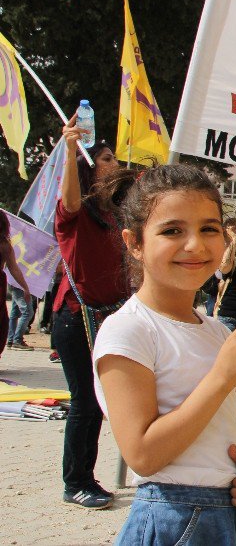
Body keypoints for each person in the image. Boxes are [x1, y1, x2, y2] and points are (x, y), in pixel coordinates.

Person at [93, 165, 236, 544]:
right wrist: (222, 375)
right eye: (172, 231)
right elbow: (142, 454)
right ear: (134, 242)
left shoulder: (217, 331)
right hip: (176, 518)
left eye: (209, 228)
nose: (195, 245)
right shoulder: (129, 330)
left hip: (235, 518)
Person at [52, 119, 130, 509]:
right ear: (89, 165)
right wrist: (69, 151)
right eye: (106, 158)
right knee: (85, 401)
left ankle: (91, 473)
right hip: (75, 319)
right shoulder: (75, 212)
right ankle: (76, 481)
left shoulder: (113, 214)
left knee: (102, 401)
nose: (114, 163)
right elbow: (69, 198)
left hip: (111, 320)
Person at [0, 214, 33, 359]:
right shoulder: (4, 244)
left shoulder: (5, 245)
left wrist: (25, 287)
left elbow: (13, 268)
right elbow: (13, 268)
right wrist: (25, 287)